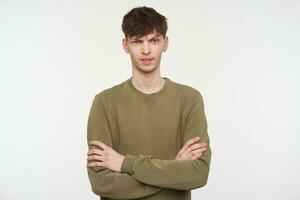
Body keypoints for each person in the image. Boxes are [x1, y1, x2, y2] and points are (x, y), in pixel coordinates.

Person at [86, 6, 211, 200]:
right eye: (137, 41)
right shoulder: (104, 103)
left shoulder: (190, 99)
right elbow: (101, 182)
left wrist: (125, 164)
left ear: (165, 43)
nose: (146, 50)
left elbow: (198, 173)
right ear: (125, 45)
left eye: (154, 40)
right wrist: (173, 172)